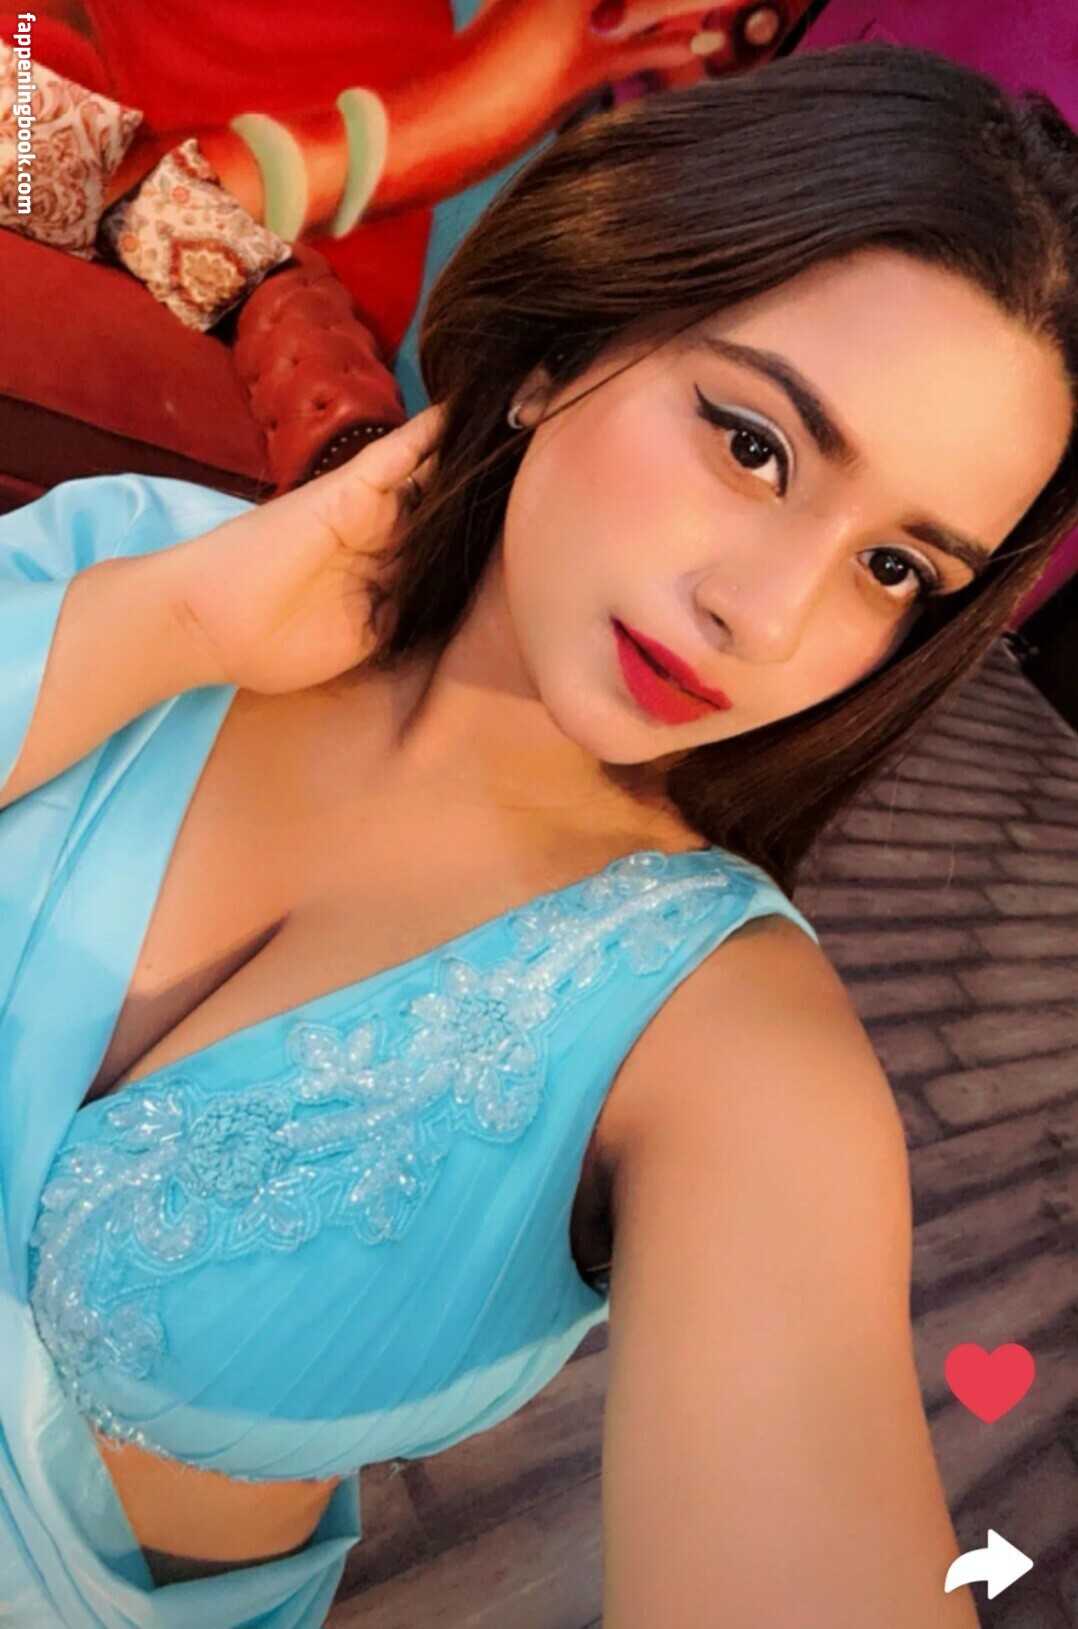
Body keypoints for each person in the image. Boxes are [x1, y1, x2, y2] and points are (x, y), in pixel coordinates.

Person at [1, 40, 1075, 1629]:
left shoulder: (725, 1045)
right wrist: (176, 626)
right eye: (755, 444)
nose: (768, 616)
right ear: (562, 349)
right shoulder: (141, 564)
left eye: (894, 568)